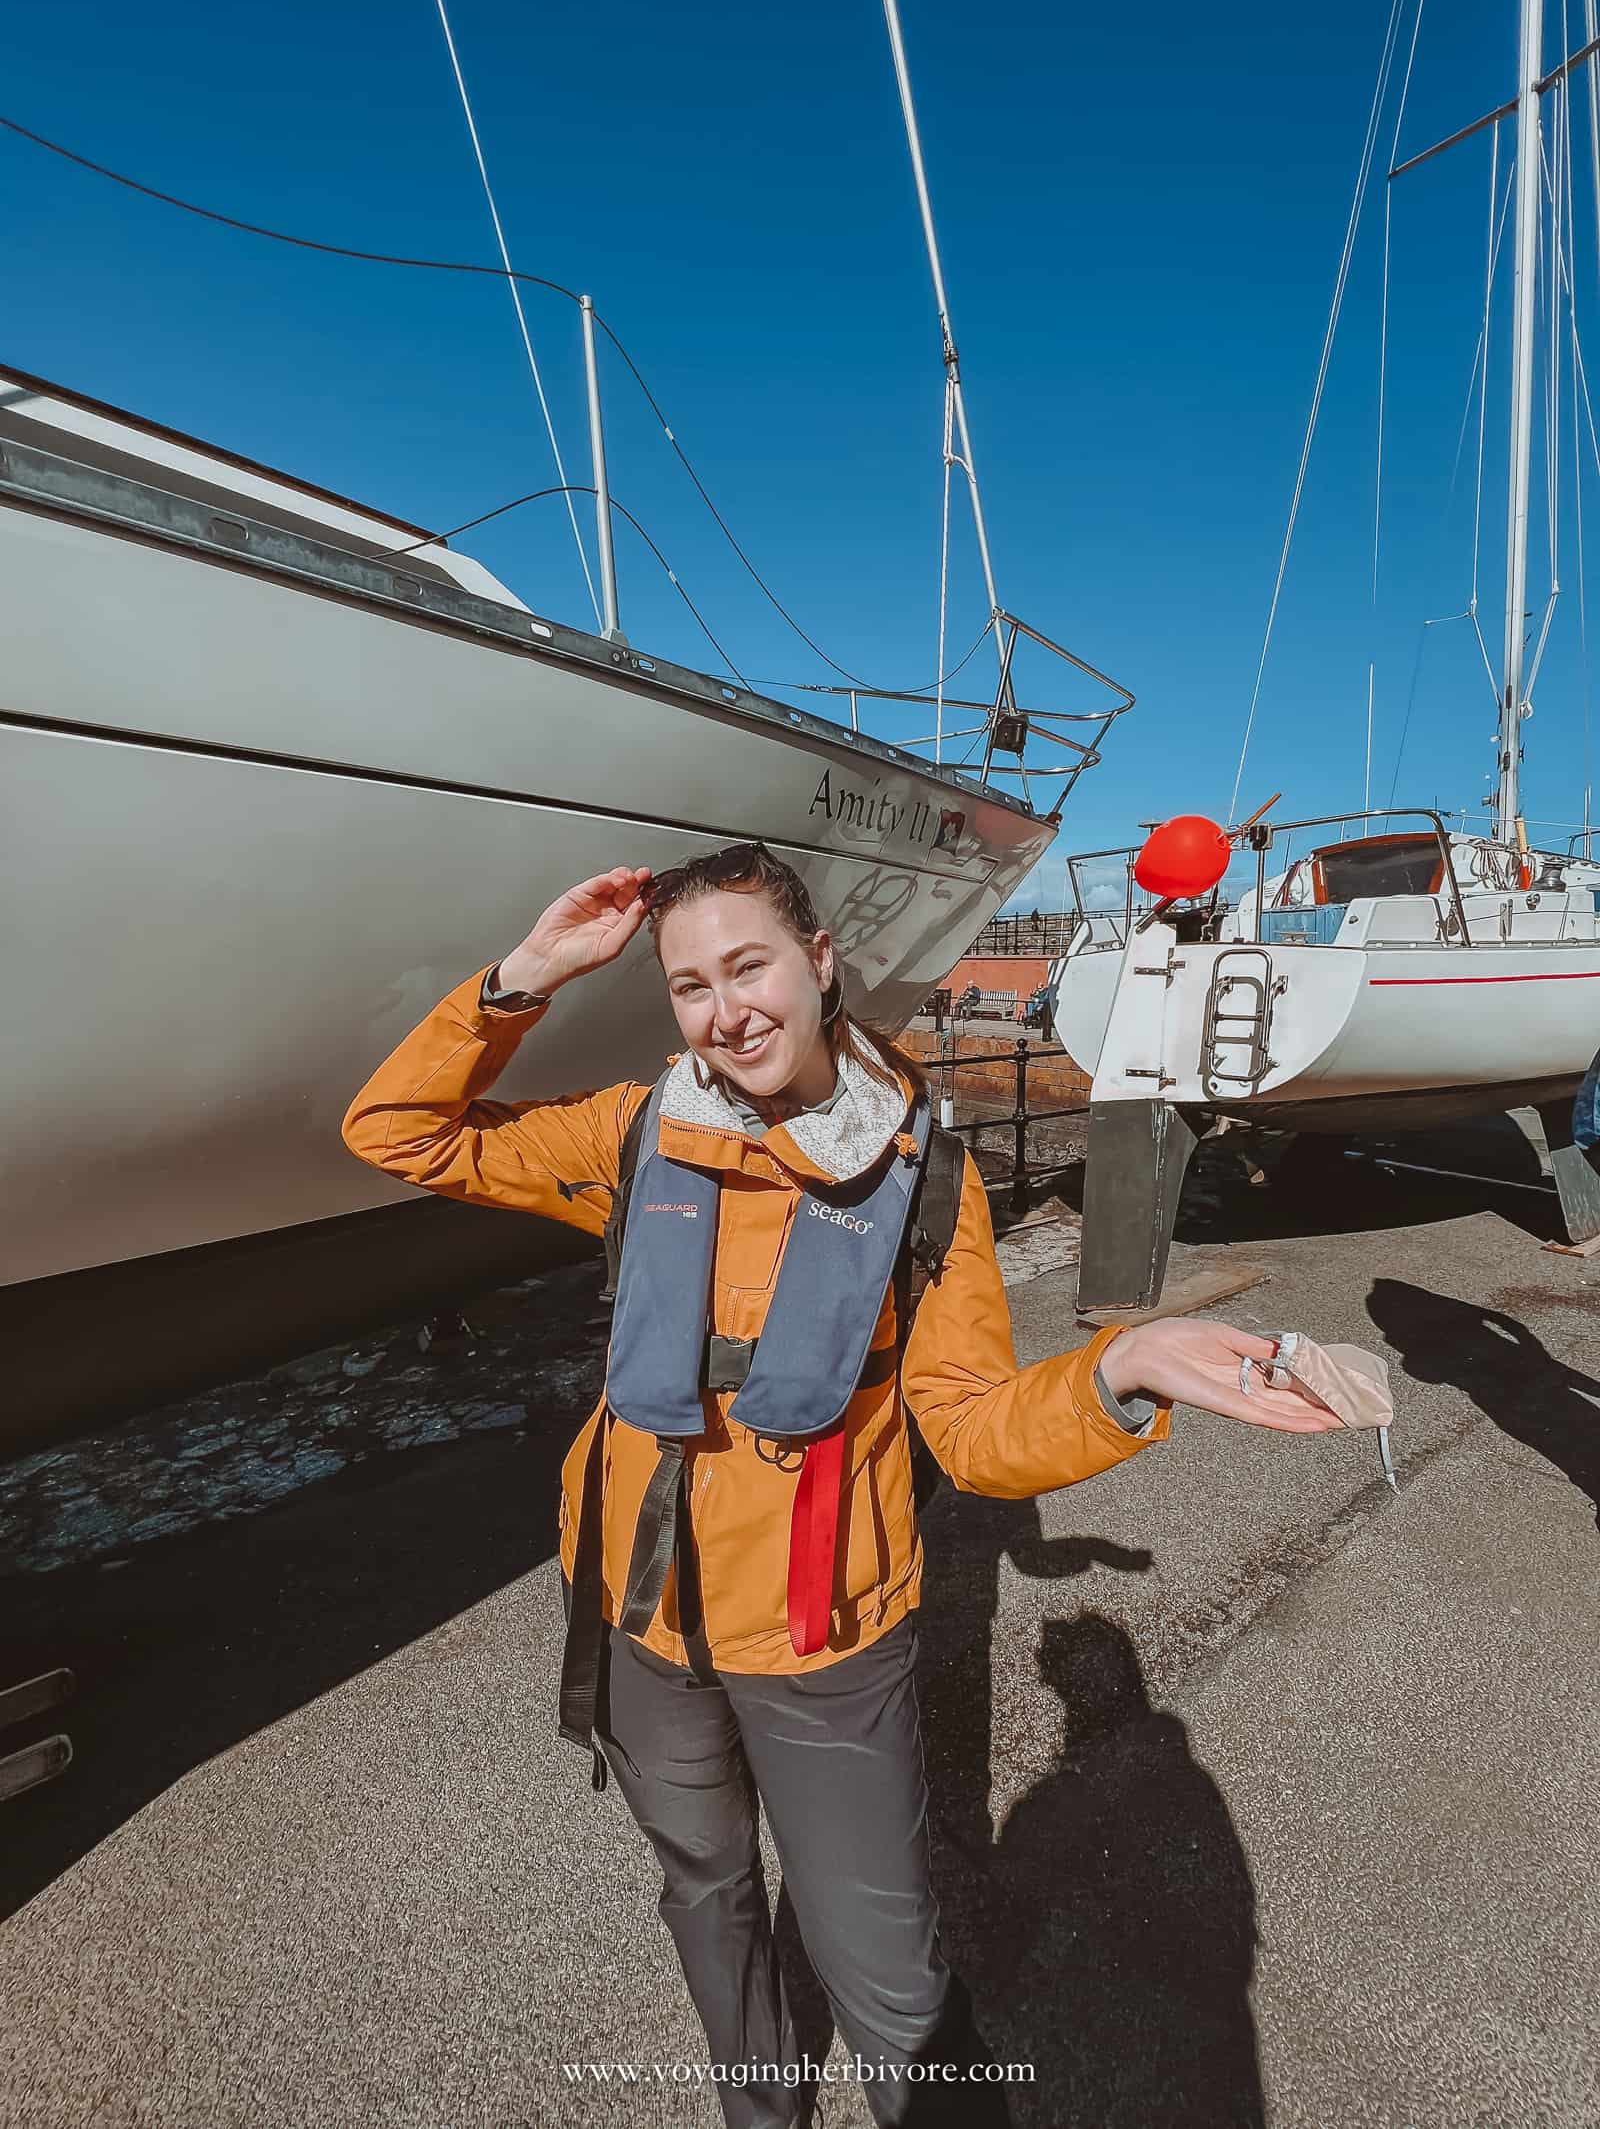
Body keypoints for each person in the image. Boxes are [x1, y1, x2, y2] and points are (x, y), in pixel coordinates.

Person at [340, 842, 1340, 2129]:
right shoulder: (635, 1132)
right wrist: (525, 976)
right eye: (690, 985)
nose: (725, 1010)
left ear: (819, 964)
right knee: (703, 1889)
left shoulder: (925, 1180)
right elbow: (396, 1131)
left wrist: (1121, 1368)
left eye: (748, 966)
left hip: (823, 1639)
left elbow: (974, 1431)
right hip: (640, 1621)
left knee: (888, 1965)